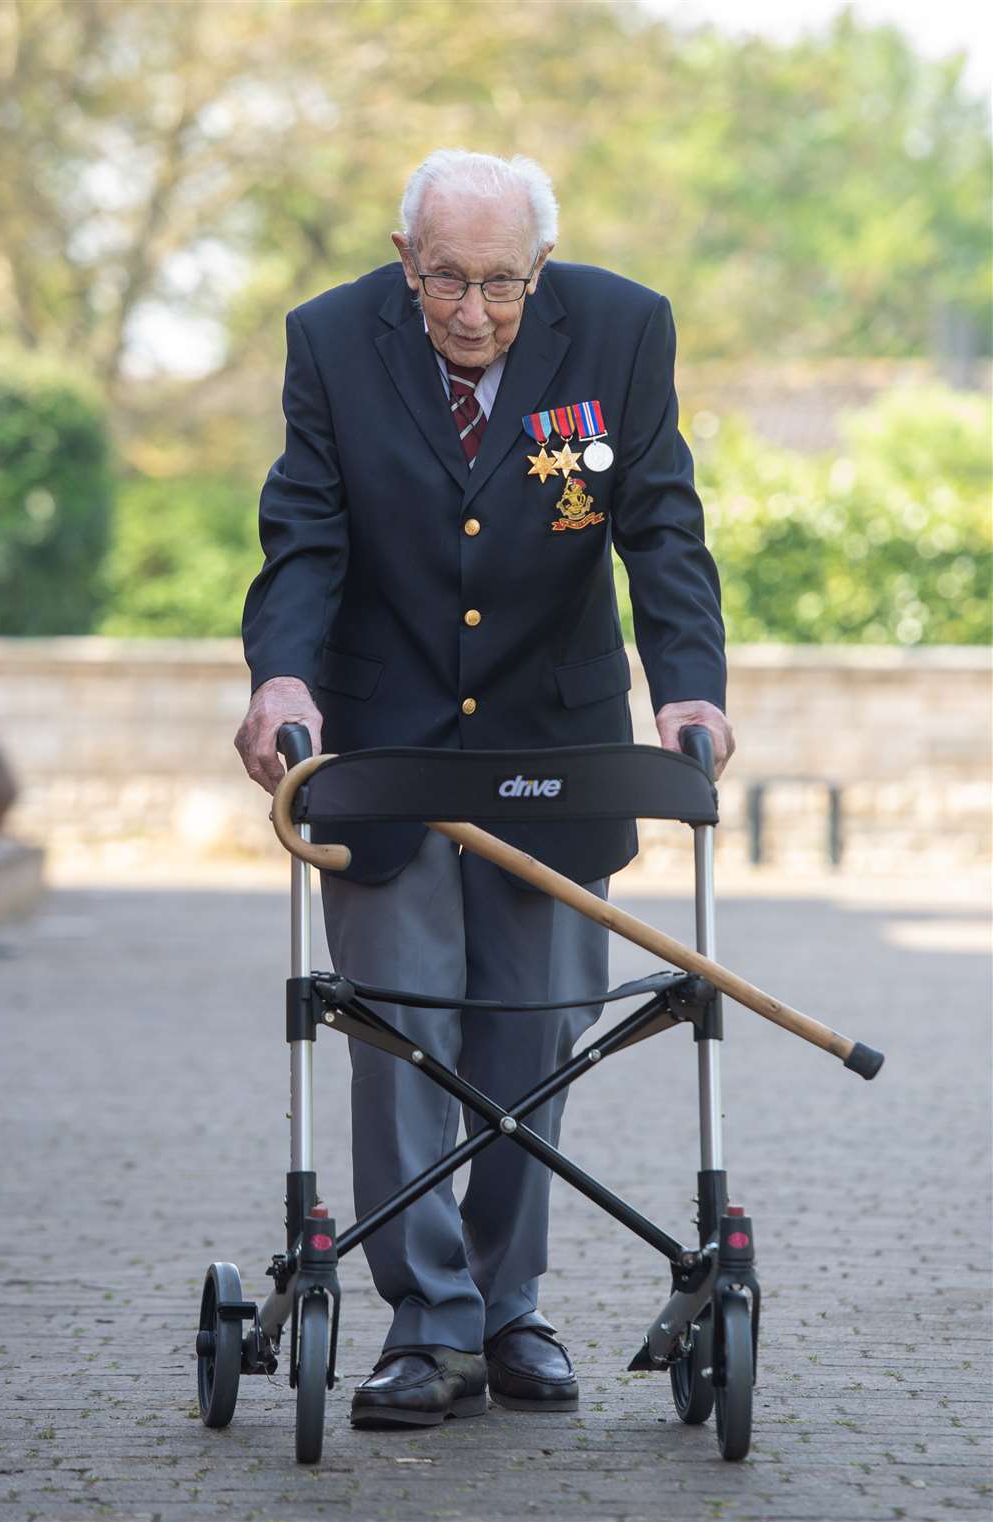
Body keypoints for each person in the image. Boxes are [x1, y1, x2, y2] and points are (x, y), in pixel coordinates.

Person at [235, 149, 734, 1428]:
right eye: (445, 278)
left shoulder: (622, 329)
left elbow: (660, 522)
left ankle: (510, 1310)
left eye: (501, 284)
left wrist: (687, 685)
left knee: (534, 1029)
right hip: (386, 745)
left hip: (554, 743)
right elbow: (306, 531)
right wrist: (284, 681)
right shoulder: (333, 339)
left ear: (542, 267)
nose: (471, 310)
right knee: (407, 1033)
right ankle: (430, 1326)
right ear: (406, 260)